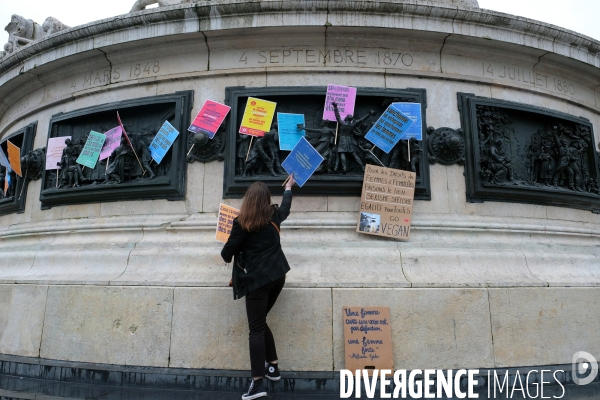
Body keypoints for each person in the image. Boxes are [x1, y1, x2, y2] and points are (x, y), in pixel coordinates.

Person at [221, 175, 296, 400]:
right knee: (261, 322)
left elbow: (226, 255)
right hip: (278, 276)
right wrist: (289, 188)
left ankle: (257, 383)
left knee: (255, 329)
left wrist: (232, 240)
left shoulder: (241, 223)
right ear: (265, 200)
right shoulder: (274, 215)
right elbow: (286, 207)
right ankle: (272, 367)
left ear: (248, 200)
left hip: (257, 282)